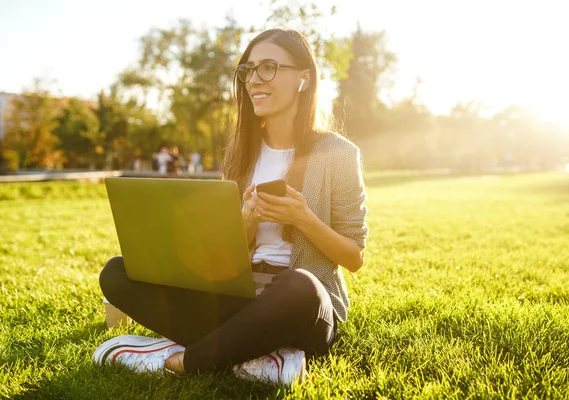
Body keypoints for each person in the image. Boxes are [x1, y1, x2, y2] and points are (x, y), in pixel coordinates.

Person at [92, 28, 369, 385]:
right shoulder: (242, 153)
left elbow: (354, 257)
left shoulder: (340, 153)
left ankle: (180, 360)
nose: (254, 79)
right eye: (248, 70)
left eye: (268, 67)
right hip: (238, 298)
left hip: (300, 306)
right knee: (117, 272)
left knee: (299, 285)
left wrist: (303, 219)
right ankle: (256, 360)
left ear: (303, 78)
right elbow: (224, 256)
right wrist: (247, 220)